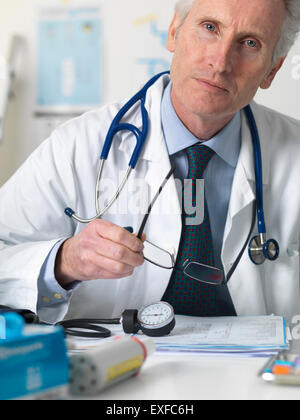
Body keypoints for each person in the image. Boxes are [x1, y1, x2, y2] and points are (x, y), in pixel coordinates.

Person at [0, 0, 300, 324]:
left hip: (254, 371)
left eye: (250, 43)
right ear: (174, 31)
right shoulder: (78, 145)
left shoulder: (292, 153)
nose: (220, 61)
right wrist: (64, 261)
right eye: (210, 28)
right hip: (117, 367)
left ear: (272, 69)